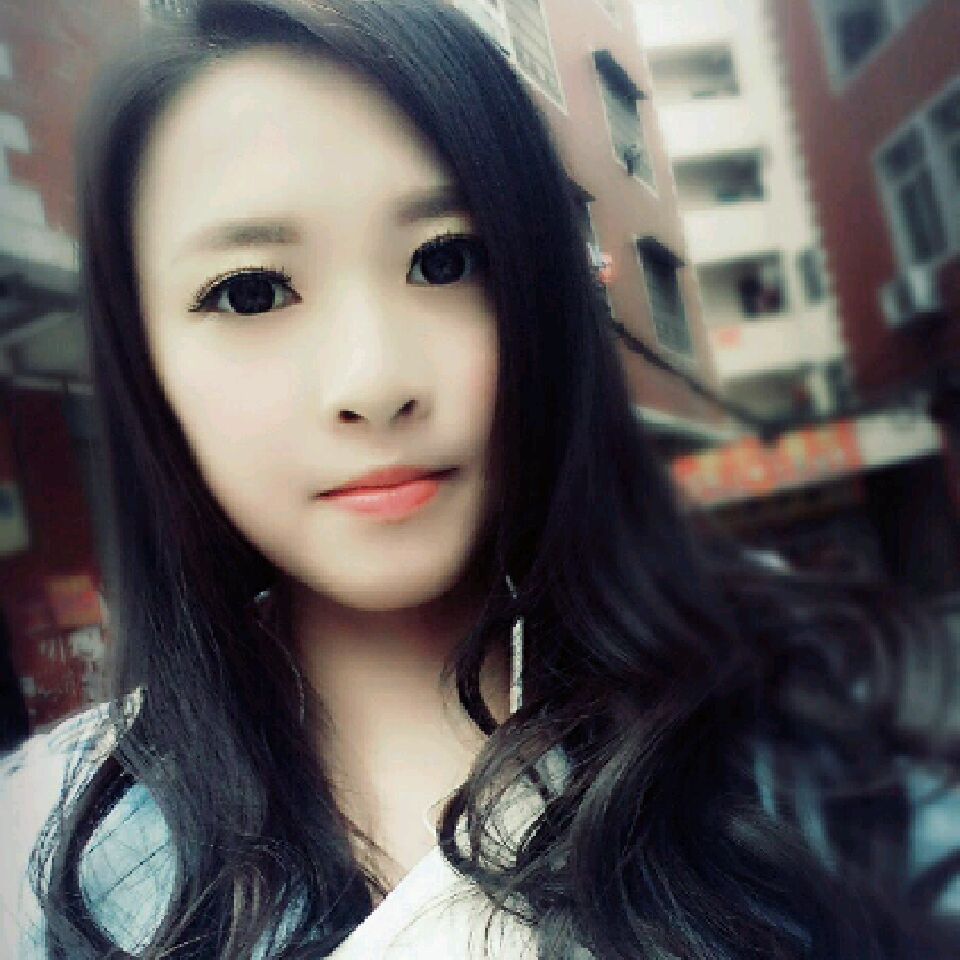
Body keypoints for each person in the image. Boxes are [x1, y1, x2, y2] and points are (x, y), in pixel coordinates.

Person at [1, 1, 959, 957]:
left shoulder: (804, 724)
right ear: (146, 362)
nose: (375, 383)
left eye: (445, 260)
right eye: (251, 291)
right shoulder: (52, 849)